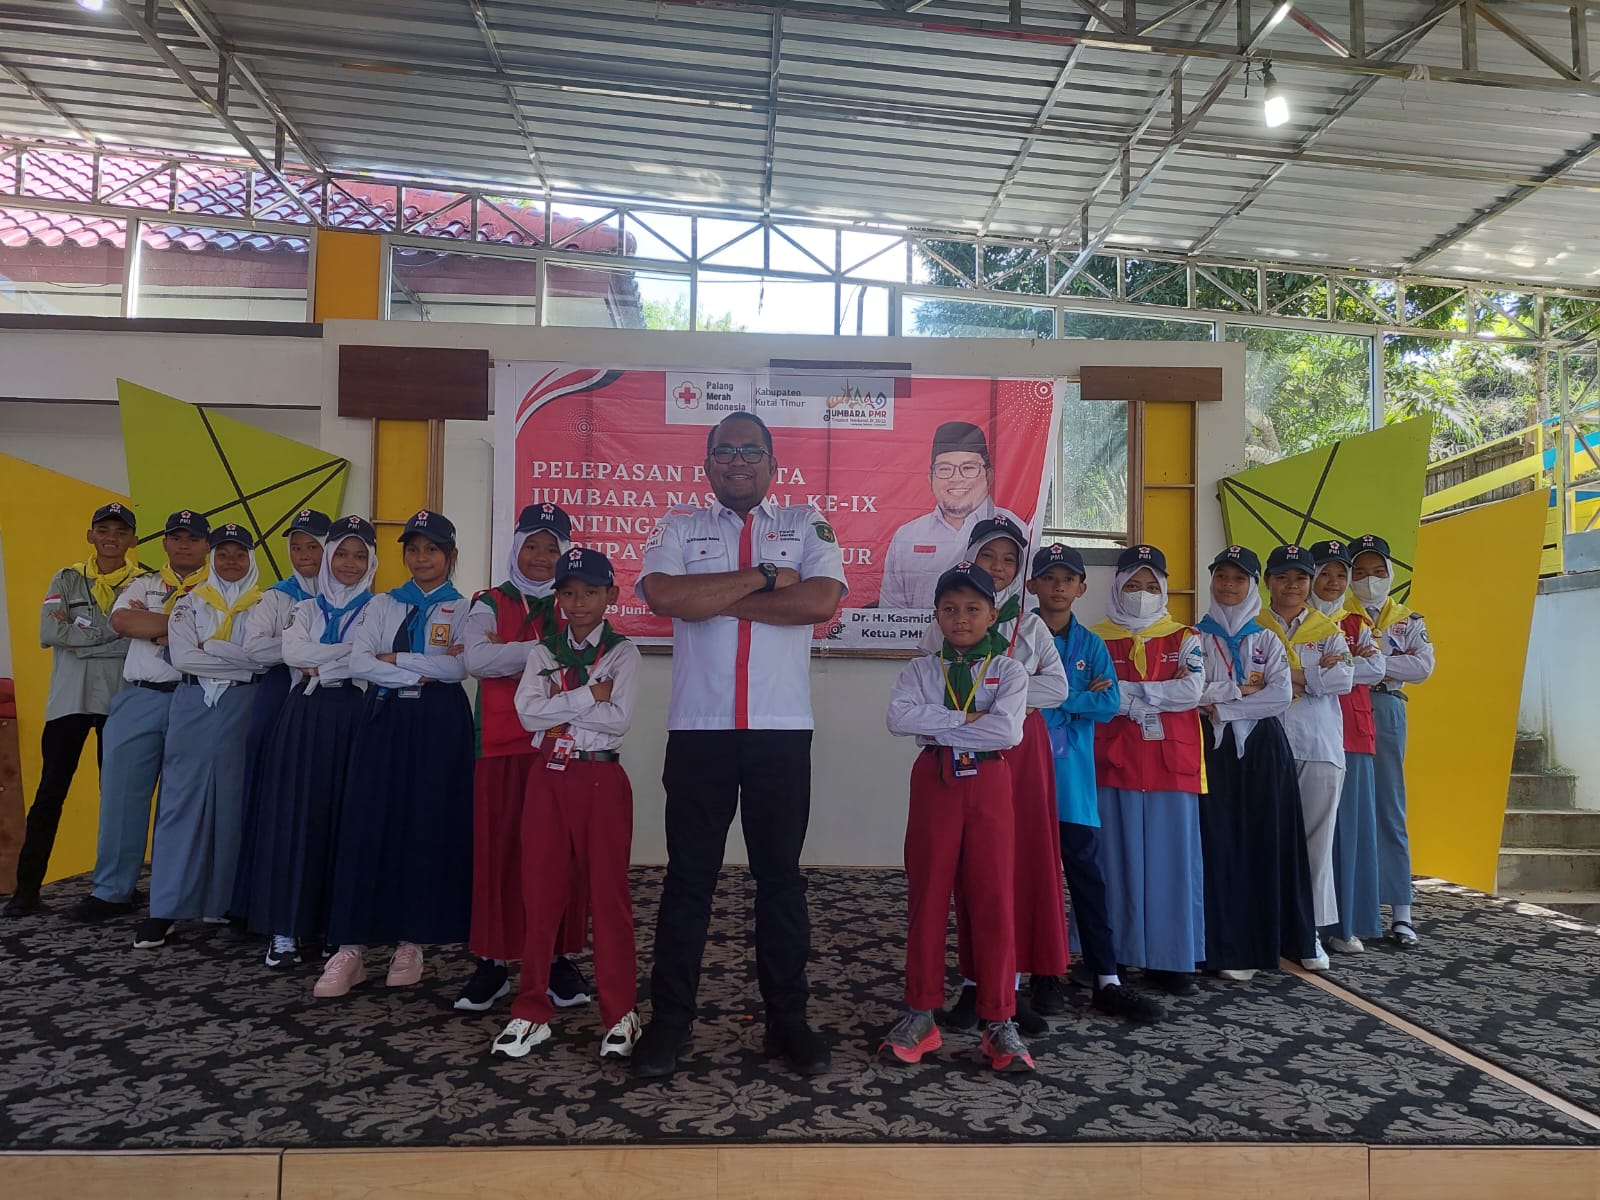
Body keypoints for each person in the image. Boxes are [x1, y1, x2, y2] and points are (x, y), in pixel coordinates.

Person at [633, 410, 847, 1079]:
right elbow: (665, 596)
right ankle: (670, 1022)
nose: (737, 461)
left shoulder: (806, 523)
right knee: (688, 880)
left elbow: (819, 603)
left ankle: (788, 1020)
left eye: (750, 451)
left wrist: (713, 598)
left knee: (780, 879)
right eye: (725, 451)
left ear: (772, 464)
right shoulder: (678, 526)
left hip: (780, 730)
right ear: (707, 464)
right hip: (699, 730)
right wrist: (762, 577)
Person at [919, 517, 1069, 1035]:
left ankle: (1011, 984)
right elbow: (928, 686)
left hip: (1020, 752)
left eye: (1009, 559)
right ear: (970, 557)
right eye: (988, 556)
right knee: (964, 866)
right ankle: (973, 981)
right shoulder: (942, 623)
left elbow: (1059, 688)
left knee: (1016, 863)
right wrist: (983, 709)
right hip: (960, 753)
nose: (999, 568)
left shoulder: (1030, 625)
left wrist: (999, 701)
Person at [315, 509, 474, 996]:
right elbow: (361, 661)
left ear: (451, 555)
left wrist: (398, 659)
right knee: (366, 822)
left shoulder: (464, 608)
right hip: (383, 717)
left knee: (425, 824)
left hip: (439, 723)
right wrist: (422, 670)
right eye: (413, 549)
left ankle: (411, 941)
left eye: (432, 549)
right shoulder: (383, 603)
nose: (421, 558)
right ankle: (350, 947)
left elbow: (459, 669)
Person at [882, 562, 1033, 1072]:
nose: (960, 618)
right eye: (949, 608)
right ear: (937, 614)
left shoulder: (1009, 671)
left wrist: (938, 724)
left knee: (993, 897)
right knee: (927, 895)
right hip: (934, 781)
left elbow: (1007, 732)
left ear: (992, 614)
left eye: (972, 608)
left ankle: (999, 1019)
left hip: (989, 781)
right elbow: (898, 718)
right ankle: (920, 1013)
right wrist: (970, 718)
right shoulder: (920, 670)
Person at [493, 548, 642, 1061]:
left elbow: (619, 719)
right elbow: (527, 716)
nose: (579, 603)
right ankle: (531, 1010)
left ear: (610, 596)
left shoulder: (623, 653)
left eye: (590, 592)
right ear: (557, 597)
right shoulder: (544, 651)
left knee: (608, 896)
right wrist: (588, 697)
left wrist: (560, 708)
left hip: (600, 777)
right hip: (549, 777)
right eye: (569, 592)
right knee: (539, 895)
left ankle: (620, 1012)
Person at [458, 502, 590, 1014]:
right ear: (515, 547)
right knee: (498, 851)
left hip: (559, 743)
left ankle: (555, 958)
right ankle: (492, 962)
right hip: (500, 744)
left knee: (558, 853)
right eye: (531, 545)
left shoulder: (575, 602)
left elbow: (586, 661)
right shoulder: (488, 601)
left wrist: (512, 653)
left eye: (551, 548)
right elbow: (476, 659)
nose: (540, 556)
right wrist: (546, 653)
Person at [1027, 543, 1164, 1023]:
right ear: (1032, 586)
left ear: (1082, 588)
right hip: (1025, 780)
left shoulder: (1091, 645)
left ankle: (1107, 978)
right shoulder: (1015, 639)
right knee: (1033, 880)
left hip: (1074, 785)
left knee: (1088, 879)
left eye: (1068, 579)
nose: (1058, 586)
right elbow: (1010, 696)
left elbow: (1108, 706)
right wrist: (1077, 695)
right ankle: (1039, 975)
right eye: (1049, 577)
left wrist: (1055, 697)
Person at [243, 516, 377, 968]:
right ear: (328, 557)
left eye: (360, 556)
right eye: (341, 554)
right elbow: (293, 653)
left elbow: (364, 660)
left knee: (342, 821)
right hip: (303, 715)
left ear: (372, 561)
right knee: (294, 818)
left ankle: (332, 927)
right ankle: (284, 929)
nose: (349, 564)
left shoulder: (379, 609)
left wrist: (325, 663)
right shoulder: (304, 608)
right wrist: (343, 657)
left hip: (355, 717)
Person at [66, 510, 211, 922]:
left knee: (183, 803)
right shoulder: (143, 583)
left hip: (197, 697)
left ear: (207, 545)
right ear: (164, 543)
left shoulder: (219, 588)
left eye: (193, 538)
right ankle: (112, 891)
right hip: (141, 696)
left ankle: (173, 895)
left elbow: (224, 633)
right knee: (121, 797)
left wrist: (162, 629)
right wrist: (185, 628)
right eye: (176, 537)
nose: (184, 545)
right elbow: (123, 620)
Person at [133, 522, 264, 949]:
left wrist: (216, 651)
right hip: (193, 704)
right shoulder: (190, 603)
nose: (231, 561)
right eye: (223, 553)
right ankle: (165, 908)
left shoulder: (266, 604)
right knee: (179, 804)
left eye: (239, 554)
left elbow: (268, 659)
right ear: (212, 557)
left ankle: (224, 902)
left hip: (243, 706)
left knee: (233, 805)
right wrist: (243, 661)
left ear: (251, 559)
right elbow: (185, 658)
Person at [5, 502, 140, 917]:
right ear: (90, 535)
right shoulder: (65, 578)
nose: (111, 538)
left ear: (133, 540)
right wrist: (112, 633)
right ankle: (26, 891)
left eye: (120, 531)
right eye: (104, 530)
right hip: (70, 701)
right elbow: (50, 630)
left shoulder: (144, 584)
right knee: (50, 793)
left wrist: (81, 637)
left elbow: (143, 638)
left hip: (120, 700)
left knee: (118, 798)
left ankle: (116, 887)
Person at [1194, 545, 1317, 981]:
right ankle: (1221, 945)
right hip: (1210, 752)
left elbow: (1280, 696)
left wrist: (1222, 706)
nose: (1228, 586)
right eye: (1221, 577)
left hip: (1262, 752)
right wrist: (1237, 691)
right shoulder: (1194, 637)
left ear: (1252, 586)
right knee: (1217, 844)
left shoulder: (1265, 639)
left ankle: (1265, 942)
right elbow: (1191, 691)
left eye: (1238, 578)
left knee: (1263, 842)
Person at [1091, 544, 1206, 997]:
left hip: (1171, 763)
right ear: (1117, 587)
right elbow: (1096, 696)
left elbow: (1191, 691)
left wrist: (1131, 692)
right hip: (1113, 760)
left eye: (1151, 586)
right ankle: (1113, 954)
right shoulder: (1095, 638)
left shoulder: (1186, 637)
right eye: (1133, 585)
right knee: (1113, 860)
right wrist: (1155, 691)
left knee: (1171, 862)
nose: (1142, 594)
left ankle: (1171, 959)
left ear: (1164, 590)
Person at [1254, 543, 1354, 972]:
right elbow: (1244, 679)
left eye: (1300, 578)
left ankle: (1306, 930)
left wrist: (1280, 676)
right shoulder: (1253, 626)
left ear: (1309, 583)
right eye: (1282, 577)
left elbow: (1343, 678)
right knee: (1263, 837)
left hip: (1318, 745)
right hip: (1262, 745)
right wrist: (1313, 675)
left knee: (1316, 840)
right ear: (1268, 582)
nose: (1291, 585)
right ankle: (1263, 926)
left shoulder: (1328, 630)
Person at [229, 508, 330, 926]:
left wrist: (300, 649)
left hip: (328, 702)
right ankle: (254, 902)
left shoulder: (353, 595)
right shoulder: (276, 597)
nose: (303, 554)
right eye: (297, 547)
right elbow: (255, 649)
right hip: (280, 695)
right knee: (267, 794)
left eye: (312, 546)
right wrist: (300, 650)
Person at [1349, 533, 1435, 948]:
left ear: (1390, 573)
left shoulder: (1407, 619)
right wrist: (1387, 663)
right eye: (1360, 572)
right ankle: (1351, 908)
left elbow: (1423, 667)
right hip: (1345, 705)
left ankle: (1402, 911)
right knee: (1348, 806)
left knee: (1389, 804)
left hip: (1386, 706)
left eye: (1377, 571)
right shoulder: (1336, 615)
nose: (1369, 579)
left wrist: (1372, 664)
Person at [1308, 539, 1386, 954]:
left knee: (1349, 831)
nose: (1334, 582)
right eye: (1325, 573)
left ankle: (1345, 923)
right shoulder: (1292, 620)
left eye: (1342, 574)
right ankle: (1307, 922)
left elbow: (1376, 667)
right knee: (1312, 830)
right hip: (1308, 734)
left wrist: (1339, 666)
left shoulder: (1356, 622)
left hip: (1352, 732)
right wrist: (1330, 668)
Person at [878, 421, 1021, 610]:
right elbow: (890, 613)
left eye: (968, 468)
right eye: (945, 469)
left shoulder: (1014, 529)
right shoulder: (907, 535)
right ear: (931, 478)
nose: (956, 478)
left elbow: (1025, 603)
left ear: (988, 476)